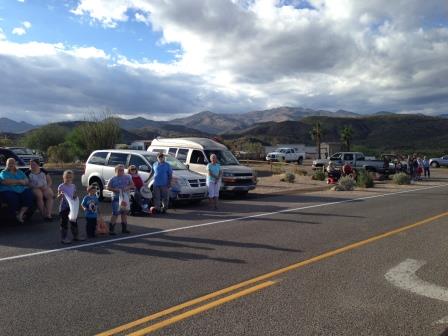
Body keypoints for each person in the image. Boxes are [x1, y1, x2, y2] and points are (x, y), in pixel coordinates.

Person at [0, 158, 34, 223]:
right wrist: (20, 181)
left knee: (29, 195)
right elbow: (6, 181)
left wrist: (15, 182)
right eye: (9, 163)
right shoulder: (3, 172)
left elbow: (26, 181)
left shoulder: (20, 172)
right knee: (12, 198)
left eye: (13, 163)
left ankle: (20, 214)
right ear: (6, 164)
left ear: (15, 164)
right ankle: (14, 214)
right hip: (9, 190)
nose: (11, 164)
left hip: (21, 189)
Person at [57, 170, 83, 243]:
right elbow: (58, 198)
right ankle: (64, 238)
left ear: (72, 178)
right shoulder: (61, 186)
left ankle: (76, 236)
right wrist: (60, 195)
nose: (68, 179)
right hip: (64, 208)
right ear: (63, 177)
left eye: (70, 177)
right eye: (67, 177)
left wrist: (75, 196)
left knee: (74, 222)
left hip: (71, 208)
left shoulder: (73, 186)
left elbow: (74, 195)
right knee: (64, 223)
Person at [107, 164, 134, 234]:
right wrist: (115, 189)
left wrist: (127, 187)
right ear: (116, 171)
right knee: (115, 213)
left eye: (122, 170)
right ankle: (111, 230)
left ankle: (124, 229)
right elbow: (108, 187)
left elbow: (132, 185)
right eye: (120, 170)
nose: (121, 171)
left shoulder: (127, 177)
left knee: (124, 213)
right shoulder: (113, 179)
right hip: (116, 197)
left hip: (125, 197)